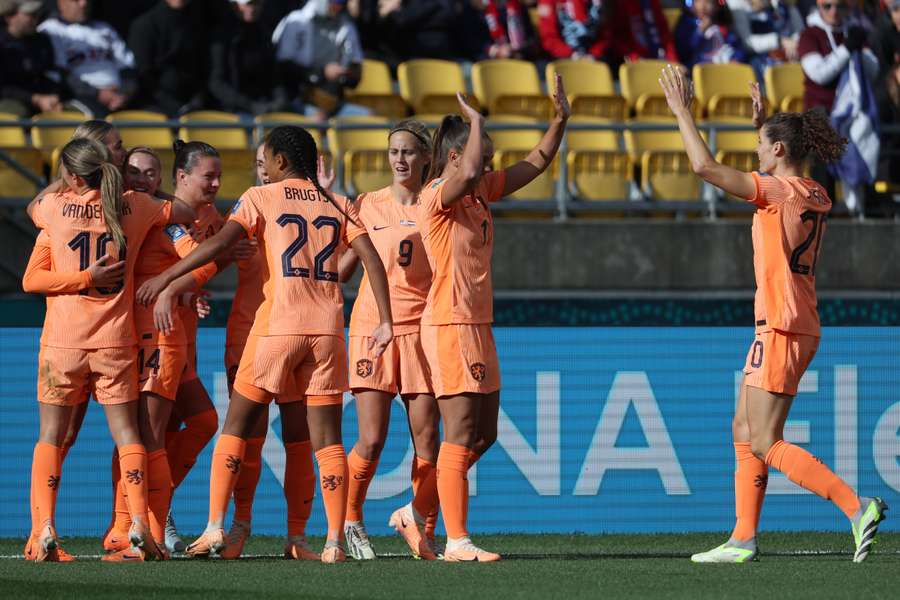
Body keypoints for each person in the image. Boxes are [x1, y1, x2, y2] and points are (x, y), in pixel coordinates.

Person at [657, 63, 887, 563]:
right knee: (743, 428)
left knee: (764, 439)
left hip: (782, 323)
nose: (757, 153)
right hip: (795, 321)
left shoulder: (779, 191)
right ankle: (743, 538)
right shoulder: (815, 191)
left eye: (763, 144)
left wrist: (681, 112)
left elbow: (705, 169)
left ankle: (856, 505)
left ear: (779, 150)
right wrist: (762, 124)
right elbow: (773, 174)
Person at [135, 125, 395, 563]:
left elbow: (220, 242)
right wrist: (386, 320)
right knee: (325, 440)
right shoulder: (340, 202)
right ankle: (330, 540)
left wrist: (167, 277)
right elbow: (371, 258)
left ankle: (216, 527)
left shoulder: (261, 196)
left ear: (280, 160)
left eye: (266, 159)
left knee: (237, 427)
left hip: (277, 326)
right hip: (327, 332)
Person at [413, 77, 569, 562]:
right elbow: (472, 167)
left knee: (485, 434)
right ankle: (457, 540)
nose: (492, 164)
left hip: (477, 325)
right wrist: (477, 121)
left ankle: (413, 511)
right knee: (459, 433)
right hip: (449, 323)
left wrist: (559, 120)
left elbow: (536, 163)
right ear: (458, 157)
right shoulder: (437, 195)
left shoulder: (480, 193)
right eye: (483, 153)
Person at [24, 137, 194, 561]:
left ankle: (43, 532)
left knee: (50, 436)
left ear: (74, 176)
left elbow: (32, 210)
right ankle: (139, 526)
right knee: (128, 434)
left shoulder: (56, 209)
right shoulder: (135, 207)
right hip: (115, 341)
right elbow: (185, 213)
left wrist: (83, 278)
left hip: (62, 342)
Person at [100, 145, 220, 560]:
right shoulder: (122, 215)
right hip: (128, 335)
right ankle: (127, 525)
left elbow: (202, 263)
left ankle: (146, 523)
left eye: (151, 174)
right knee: (134, 436)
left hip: (160, 336)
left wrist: (175, 289)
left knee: (148, 436)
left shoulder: (166, 220)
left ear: (162, 179)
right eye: (135, 172)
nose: (142, 179)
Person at [335, 120, 441, 561]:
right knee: (372, 438)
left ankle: (422, 527)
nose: (400, 159)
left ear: (425, 158)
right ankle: (350, 520)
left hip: (419, 330)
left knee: (429, 439)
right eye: (394, 151)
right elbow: (342, 269)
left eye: (409, 152)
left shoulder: (437, 205)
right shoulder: (367, 204)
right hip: (370, 329)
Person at [216, 144, 326, 562]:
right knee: (250, 436)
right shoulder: (248, 207)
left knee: (300, 436)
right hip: (250, 333)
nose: (263, 172)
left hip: (294, 330)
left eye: (267, 164)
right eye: (257, 165)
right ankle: (238, 526)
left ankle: (296, 537)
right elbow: (208, 254)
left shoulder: (305, 205)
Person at [798, 0, 878, 208]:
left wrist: (859, 50)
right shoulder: (809, 35)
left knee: (869, 134)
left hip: (851, 111)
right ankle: (824, 210)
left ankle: (867, 205)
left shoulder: (853, 32)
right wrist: (846, 49)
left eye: (840, 6)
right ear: (819, 6)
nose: (834, 11)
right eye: (828, 6)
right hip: (820, 112)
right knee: (821, 134)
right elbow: (819, 74)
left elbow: (873, 71)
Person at [38, 0, 137, 117]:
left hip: (119, 96)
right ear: (61, 3)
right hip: (79, 96)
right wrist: (97, 94)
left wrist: (124, 93)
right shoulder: (51, 29)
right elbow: (60, 74)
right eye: (76, 0)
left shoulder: (105, 28)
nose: (84, 3)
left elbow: (128, 67)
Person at [273, 0, 365, 120]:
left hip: (331, 100)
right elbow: (283, 67)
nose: (338, 6)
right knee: (319, 119)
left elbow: (354, 78)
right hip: (298, 98)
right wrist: (322, 72)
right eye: (334, 2)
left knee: (369, 118)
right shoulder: (296, 21)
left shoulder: (346, 26)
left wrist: (348, 72)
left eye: (342, 2)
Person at [127, 0, 209, 117]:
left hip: (194, 108)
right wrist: (177, 108)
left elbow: (203, 70)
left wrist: (196, 102)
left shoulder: (197, 25)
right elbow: (143, 77)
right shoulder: (144, 25)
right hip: (154, 109)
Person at [209, 0, 290, 116]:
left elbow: (274, 75)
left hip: (264, 105)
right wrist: (251, 106)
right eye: (249, 4)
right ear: (235, 6)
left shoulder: (264, 34)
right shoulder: (222, 37)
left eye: (257, 3)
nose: (253, 8)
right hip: (234, 110)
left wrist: (280, 99)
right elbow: (216, 83)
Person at [0, 0, 66, 116]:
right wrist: (35, 99)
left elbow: (50, 73)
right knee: (15, 113)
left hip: (45, 100)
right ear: (9, 16)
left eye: (37, 14)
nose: (36, 19)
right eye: (30, 15)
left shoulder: (42, 41)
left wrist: (54, 96)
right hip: (13, 100)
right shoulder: (3, 44)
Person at [728, 0, 805, 81]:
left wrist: (793, 46)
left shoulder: (783, 4)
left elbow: (800, 31)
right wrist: (780, 41)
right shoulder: (737, 6)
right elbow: (747, 43)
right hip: (760, 65)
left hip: (790, 57)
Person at [674, 0, 747, 70]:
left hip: (724, 67)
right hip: (700, 67)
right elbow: (684, 50)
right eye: (698, 1)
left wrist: (735, 58)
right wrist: (700, 32)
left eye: (708, 2)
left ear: (716, 6)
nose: (703, 6)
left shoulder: (722, 25)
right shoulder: (687, 23)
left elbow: (737, 47)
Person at [537, 0, 612, 61]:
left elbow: (606, 35)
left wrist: (594, 54)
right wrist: (571, 54)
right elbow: (548, 38)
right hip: (562, 59)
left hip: (596, 59)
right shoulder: (549, 2)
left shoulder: (599, 3)